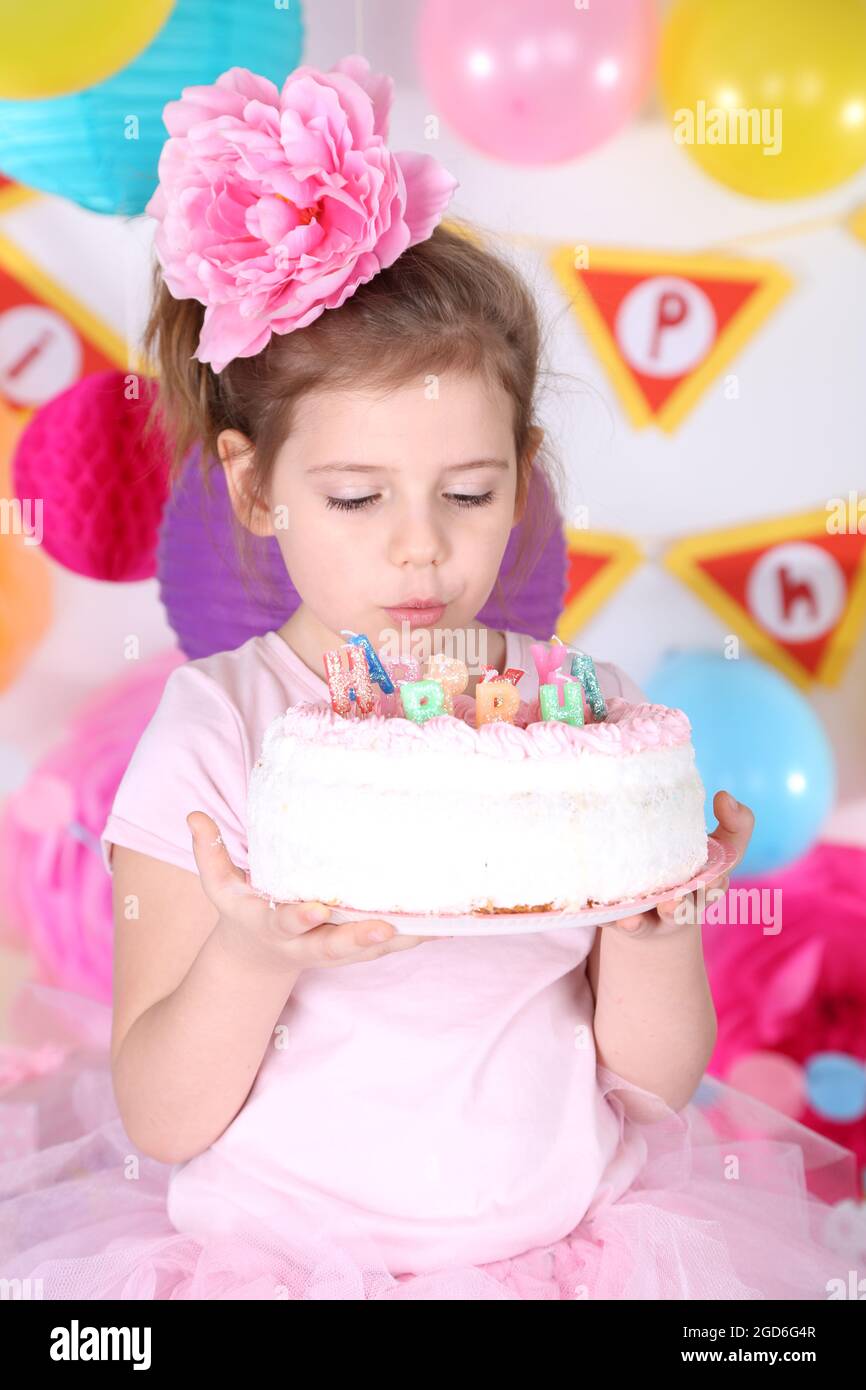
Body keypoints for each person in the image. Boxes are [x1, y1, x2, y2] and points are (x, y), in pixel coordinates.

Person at [0, 55, 860, 1301]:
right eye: (355, 498)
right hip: (280, 1266)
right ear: (253, 485)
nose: (421, 545)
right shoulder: (219, 725)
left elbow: (652, 1083)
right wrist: (251, 953)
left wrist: (654, 926)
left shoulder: (582, 724)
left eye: (468, 492)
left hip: (563, 1256)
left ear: (523, 469)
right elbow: (165, 1114)